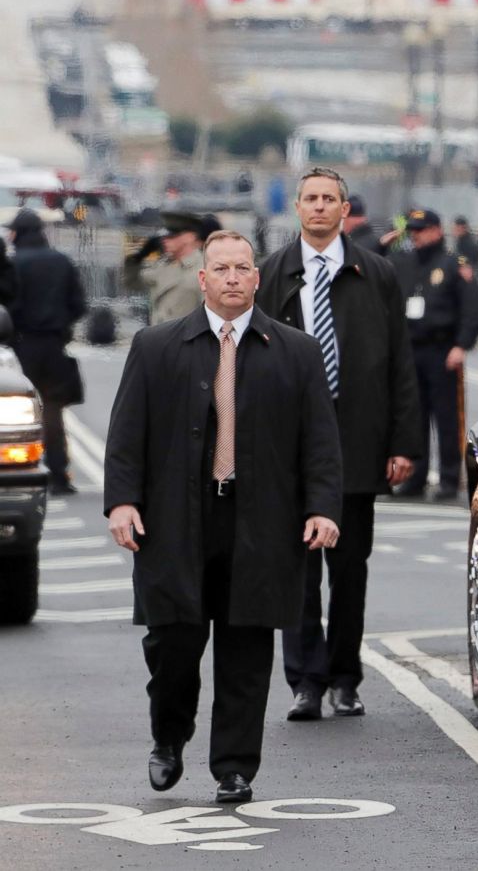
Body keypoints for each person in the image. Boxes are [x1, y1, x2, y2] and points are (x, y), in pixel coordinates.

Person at [104, 230, 342, 804]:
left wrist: (322, 508)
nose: (233, 277)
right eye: (221, 268)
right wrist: (122, 502)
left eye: (243, 268)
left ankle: (234, 767)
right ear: (202, 278)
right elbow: (126, 434)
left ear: (257, 279)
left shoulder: (296, 351)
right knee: (172, 646)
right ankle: (168, 736)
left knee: (247, 648)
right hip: (176, 520)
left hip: (260, 522)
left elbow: (320, 442)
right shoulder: (157, 347)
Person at [257, 168, 423, 721]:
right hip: (291, 448)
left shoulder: (375, 273)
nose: (320, 207)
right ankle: (305, 679)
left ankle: (345, 676)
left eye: (330, 199)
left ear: (345, 208)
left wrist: (403, 442)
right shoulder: (273, 274)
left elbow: (401, 361)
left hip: (357, 440)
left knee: (349, 569)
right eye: (310, 198)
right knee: (298, 571)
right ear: (297, 207)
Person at [390, 209, 478, 501]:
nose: (416, 236)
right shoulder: (404, 262)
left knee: (446, 418)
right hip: (411, 349)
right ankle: (415, 477)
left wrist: (462, 344)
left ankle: (448, 477)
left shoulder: (454, 264)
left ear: (435, 231)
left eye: (421, 231)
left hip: (442, 350)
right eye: (413, 231)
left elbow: (473, 307)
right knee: (414, 416)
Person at [8, 209, 86, 494]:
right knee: (53, 410)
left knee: (19, 411)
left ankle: (20, 469)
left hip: (21, 346)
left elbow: (8, 306)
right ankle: (59, 474)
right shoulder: (62, 262)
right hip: (55, 346)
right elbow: (79, 305)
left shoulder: (13, 265)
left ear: (18, 233)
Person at [124, 211, 205, 325]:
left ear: (189, 237)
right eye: (164, 237)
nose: (164, 240)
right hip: (159, 337)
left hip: (186, 338)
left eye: (172, 236)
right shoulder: (162, 265)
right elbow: (133, 283)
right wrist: (138, 257)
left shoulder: (203, 268)